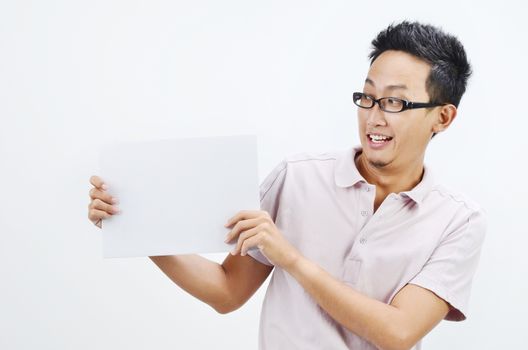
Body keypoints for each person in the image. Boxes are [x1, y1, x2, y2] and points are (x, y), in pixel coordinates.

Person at [87, 20, 486, 350]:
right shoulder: (297, 177)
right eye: (367, 98)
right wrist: (138, 229)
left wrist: (291, 258)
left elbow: (397, 333)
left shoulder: (457, 221)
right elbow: (227, 292)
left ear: (443, 118)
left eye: (395, 103)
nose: (374, 117)